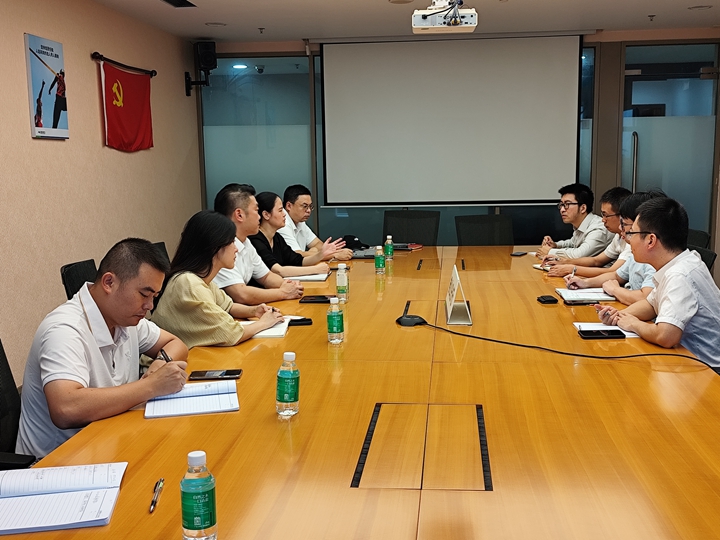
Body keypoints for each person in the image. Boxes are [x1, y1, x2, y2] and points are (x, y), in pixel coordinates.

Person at [16, 239, 189, 458]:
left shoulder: (126, 319)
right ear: (109, 282)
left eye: (154, 297)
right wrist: (151, 386)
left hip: (110, 441)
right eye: (144, 295)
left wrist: (158, 366)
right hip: (56, 462)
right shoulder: (64, 329)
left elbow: (175, 344)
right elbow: (65, 409)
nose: (149, 306)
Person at [597, 197, 720, 370]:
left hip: (706, 369)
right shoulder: (680, 261)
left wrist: (633, 323)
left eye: (632, 233)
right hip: (684, 359)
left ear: (651, 240)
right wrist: (618, 315)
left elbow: (666, 336)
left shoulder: (679, 275)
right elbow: (650, 305)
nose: (628, 239)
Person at [151, 210, 284, 349]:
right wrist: (263, 323)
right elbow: (230, 334)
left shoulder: (201, 279)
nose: (236, 249)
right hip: (167, 360)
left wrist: (254, 311)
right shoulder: (189, 283)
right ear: (215, 246)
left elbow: (228, 306)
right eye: (232, 242)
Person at [213, 183, 304, 304]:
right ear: (239, 215)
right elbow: (241, 294)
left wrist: (289, 285)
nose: (259, 217)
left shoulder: (246, 242)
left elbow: (266, 277)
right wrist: (284, 292)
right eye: (256, 210)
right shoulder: (220, 247)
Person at [564, 191, 659, 305]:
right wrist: (585, 283)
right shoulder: (637, 254)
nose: (621, 228)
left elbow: (646, 299)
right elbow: (616, 275)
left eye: (625, 225)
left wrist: (615, 290)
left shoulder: (654, 260)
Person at [545, 187, 631, 277]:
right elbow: (596, 260)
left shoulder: (629, 239)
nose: (603, 220)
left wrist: (571, 269)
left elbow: (613, 272)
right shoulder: (618, 236)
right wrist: (563, 261)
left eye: (606, 215)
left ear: (622, 216)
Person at [250, 192, 337, 277]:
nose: (284, 214)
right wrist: (315, 269)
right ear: (266, 215)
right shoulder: (255, 240)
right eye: (280, 210)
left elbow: (299, 261)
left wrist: (320, 255)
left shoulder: (277, 237)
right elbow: (278, 271)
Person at [537, 184, 614, 260]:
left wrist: (550, 251)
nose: (562, 210)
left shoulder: (598, 228)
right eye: (561, 204)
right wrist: (555, 245)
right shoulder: (582, 224)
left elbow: (579, 255)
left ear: (583, 208)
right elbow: (573, 243)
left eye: (567, 204)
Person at [277, 184, 352, 260]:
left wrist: (314, 250)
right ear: (289, 206)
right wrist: (334, 254)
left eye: (310, 206)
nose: (309, 210)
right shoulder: (282, 224)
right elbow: (296, 255)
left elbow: (318, 244)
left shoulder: (300, 221)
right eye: (305, 206)